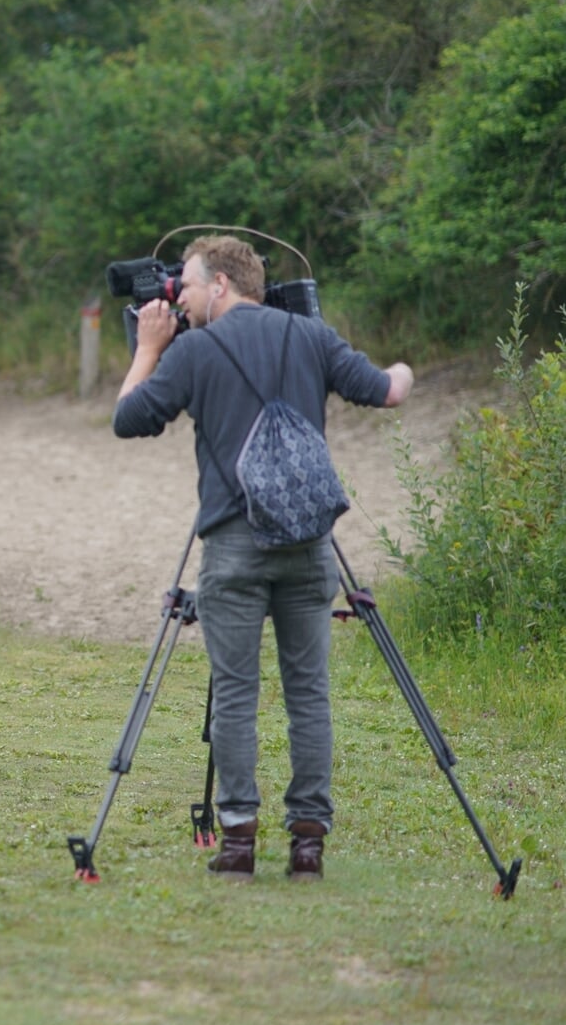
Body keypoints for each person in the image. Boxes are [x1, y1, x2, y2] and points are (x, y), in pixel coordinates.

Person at [113, 235, 413, 882]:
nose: (178, 300)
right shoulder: (309, 336)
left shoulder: (191, 350)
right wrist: (406, 372)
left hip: (232, 547)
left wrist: (146, 350)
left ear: (220, 284)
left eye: (186, 287)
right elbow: (385, 392)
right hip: (309, 549)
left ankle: (238, 842)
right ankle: (308, 844)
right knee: (309, 694)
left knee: (235, 694)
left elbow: (128, 418)